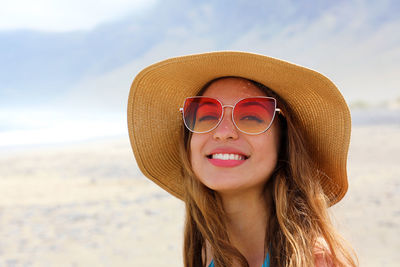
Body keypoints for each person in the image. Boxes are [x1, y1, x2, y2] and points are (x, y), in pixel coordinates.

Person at [127, 51, 358, 267]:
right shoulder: (211, 249)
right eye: (207, 115)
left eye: (250, 116)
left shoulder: (316, 260)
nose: (223, 131)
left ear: (284, 139)